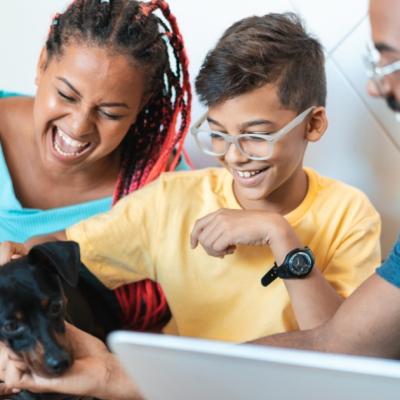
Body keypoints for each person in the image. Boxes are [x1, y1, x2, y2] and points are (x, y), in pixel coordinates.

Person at [0, 11, 384, 399]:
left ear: (313, 125)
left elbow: (341, 352)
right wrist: (15, 259)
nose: (234, 157)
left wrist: (279, 234)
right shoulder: (173, 200)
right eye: (217, 134)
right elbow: (59, 248)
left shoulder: (350, 214)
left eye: (255, 136)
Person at [0, 0, 192, 333]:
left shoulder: (165, 192)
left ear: (140, 108)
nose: (77, 127)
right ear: (42, 64)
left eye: (110, 113)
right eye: (66, 95)